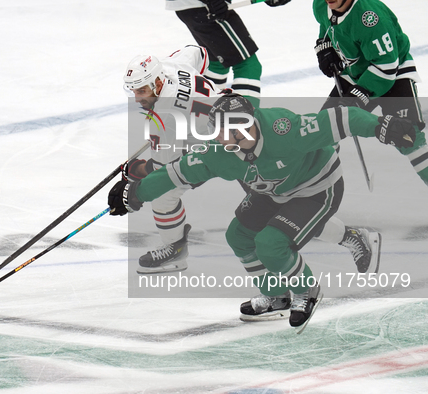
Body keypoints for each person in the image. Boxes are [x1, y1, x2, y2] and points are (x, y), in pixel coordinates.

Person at [108, 90, 416, 330]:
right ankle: (277, 295)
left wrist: (381, 126)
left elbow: (342, 119)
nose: (237, 134)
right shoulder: (218, 153)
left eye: (242, 125)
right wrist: (134, 193)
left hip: (317, 188)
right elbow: (174, 174)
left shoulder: (284, 128)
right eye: (227, 130)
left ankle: (306, 291)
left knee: (271, 243)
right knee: (238, 236)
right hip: (272, 191)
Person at [122, 45, 218, 274]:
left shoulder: (163, 117)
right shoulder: (171, 66)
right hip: (234, 112)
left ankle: (175, 252)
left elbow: (161, 169)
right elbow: (200, 52)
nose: (137, 99)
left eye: (141, 91)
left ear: (157, 83)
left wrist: (135, 170)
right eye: (133, 91)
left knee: (164, 194)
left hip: (220, 148)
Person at [313, 0, 428, 185]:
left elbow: (387, 65)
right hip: (355, 72)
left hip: (394, 73)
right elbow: (326, 25)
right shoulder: (320, 4)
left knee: (409, 137)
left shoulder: (371, 19)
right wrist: (324, 46)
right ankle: (311, 193)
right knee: (323, 131)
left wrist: (360, 94)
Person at [165, 0, 292, 102]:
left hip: (190, 7)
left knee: (217, 63)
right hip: (204, 6)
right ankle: (241, 122)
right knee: (248, 65)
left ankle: (205, 111)